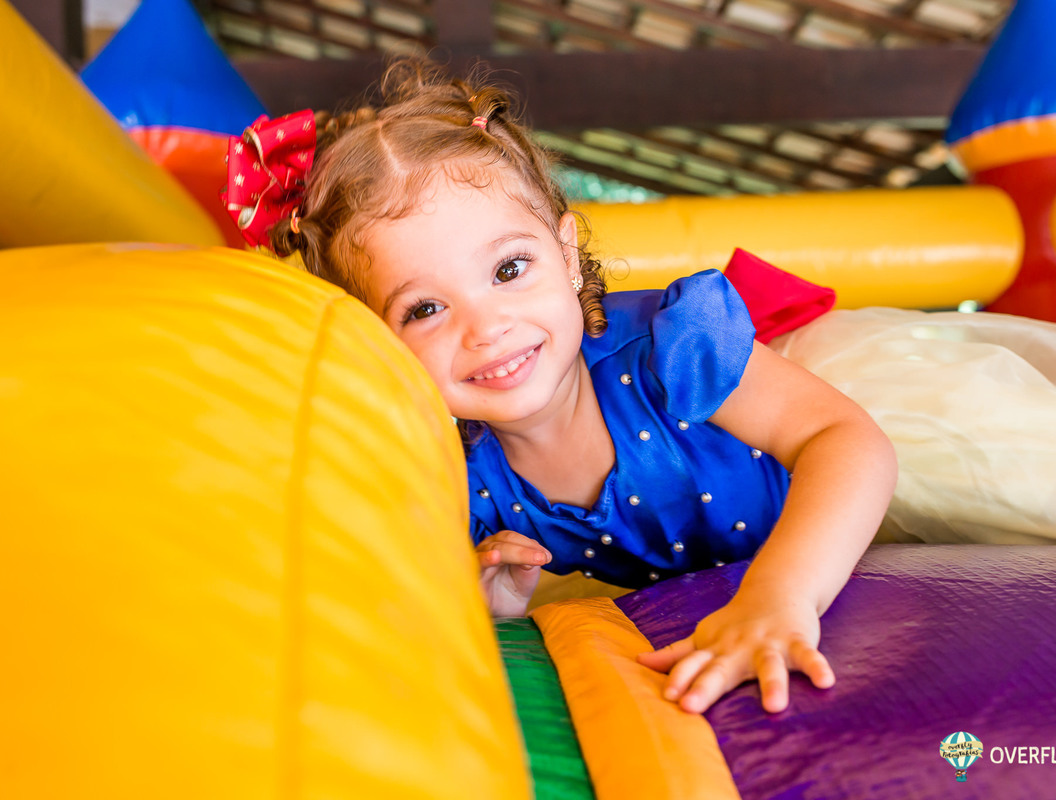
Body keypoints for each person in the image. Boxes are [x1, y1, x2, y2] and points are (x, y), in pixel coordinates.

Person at [222, 58, 898, 715]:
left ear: (566, 254)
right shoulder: (460, 472)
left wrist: (782, 594)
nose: (487, 327)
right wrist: (484, 597)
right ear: (379, 342)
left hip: (833, 523)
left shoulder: (668, 352)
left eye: (510, 269)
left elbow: (846, 440)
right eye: (424, 309)